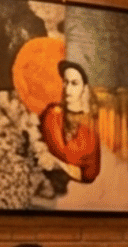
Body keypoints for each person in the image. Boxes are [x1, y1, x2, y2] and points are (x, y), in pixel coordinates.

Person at [37, 59, 100, 192]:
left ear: (85, 88)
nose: (68, 88)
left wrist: (57, 163)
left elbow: (89, 174)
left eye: (74, 83)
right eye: (65, 82)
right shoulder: (51, 113)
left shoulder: (89, 130)